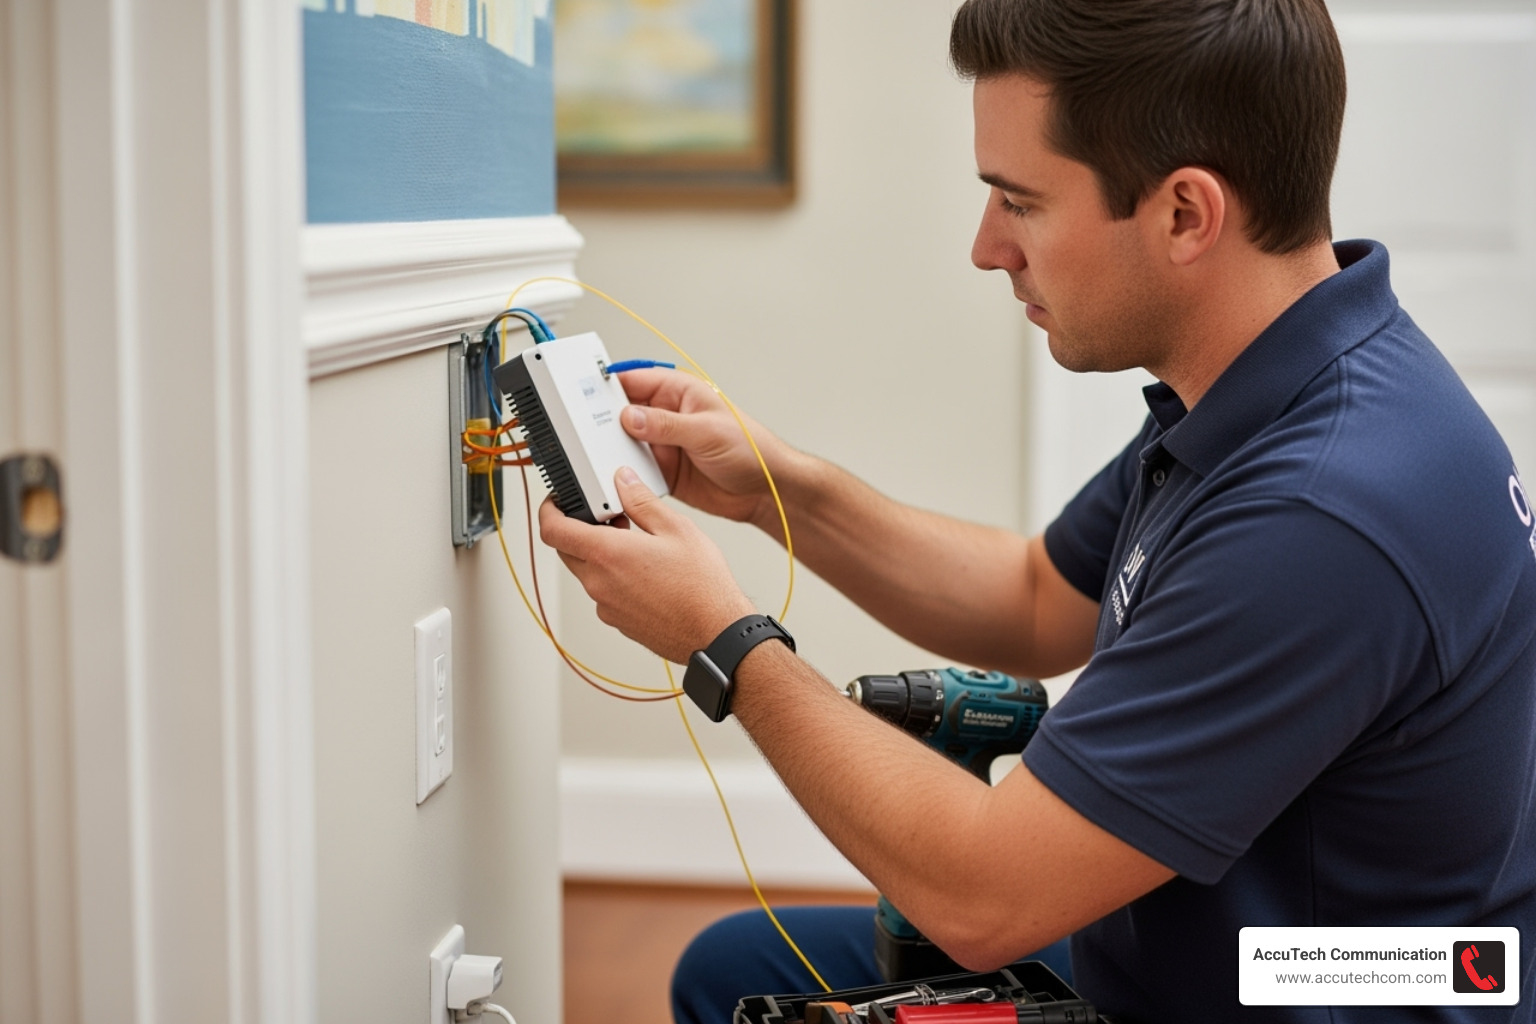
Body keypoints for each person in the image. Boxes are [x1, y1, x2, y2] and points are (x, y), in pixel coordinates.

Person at [539, 1, 1536, 1021]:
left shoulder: (1321, 514)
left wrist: (725, 639)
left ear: (1187, 213)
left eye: (1020, 201)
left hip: (1310, 993)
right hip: (1223, 942)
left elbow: (985, 896)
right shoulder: (1285, 375)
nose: (986, 247)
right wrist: (776, 487)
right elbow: (1030, 599)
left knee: (752, 987)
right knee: (736, 962)